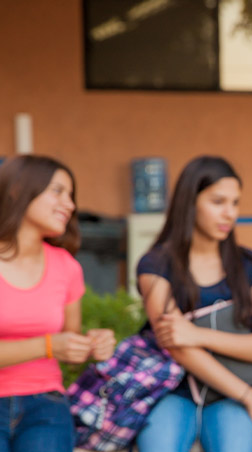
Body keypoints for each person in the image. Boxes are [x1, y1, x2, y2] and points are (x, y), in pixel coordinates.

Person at [135, 156, 252, 452]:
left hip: (232, 397)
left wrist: (198, 334)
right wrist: (249, 397)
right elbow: (178, 347)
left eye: (235, 203)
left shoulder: (250, 266)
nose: (229, 213)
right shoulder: (155, 265)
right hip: (174, 392)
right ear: (190, 202)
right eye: (218, 202)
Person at [0, 155, 116, 452]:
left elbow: (68, 348)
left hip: (46, 404)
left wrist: (91, 345)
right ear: (17, 190)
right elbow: (54, 344)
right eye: (58, 191)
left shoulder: (66, 267)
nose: (70, 204)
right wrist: (49, 345)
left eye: (71, 195)